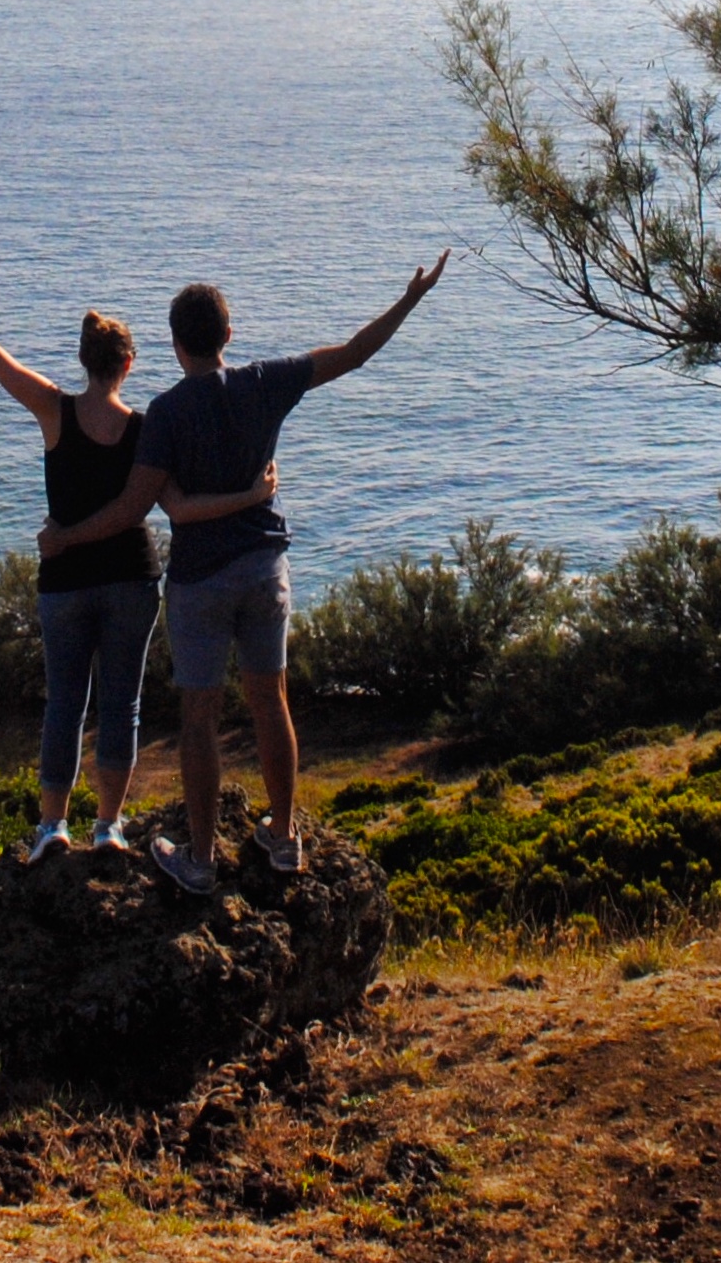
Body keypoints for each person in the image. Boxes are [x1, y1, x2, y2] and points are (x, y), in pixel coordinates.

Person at [37, 253, 450, 895]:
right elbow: (355, 352)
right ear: (228, 335)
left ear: (176, 345)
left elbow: (140, 507)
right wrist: (410, 298)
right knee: (270, 701)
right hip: (266, 569)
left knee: (198, 717)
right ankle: (283, 839)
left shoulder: (167, 414)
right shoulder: (266, 382)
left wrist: (65, 537)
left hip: (200, 582)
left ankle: (200, 860)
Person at [0, 263, 278, 859]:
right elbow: (177, 507)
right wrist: (249, 497)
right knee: (123, 703)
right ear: (129, 364)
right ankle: (109, 825)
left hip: (64, 584)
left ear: (83, 360)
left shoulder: (53, 411)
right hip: (131, 581)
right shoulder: (148, 429)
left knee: (65, 702)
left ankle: (51, 827)